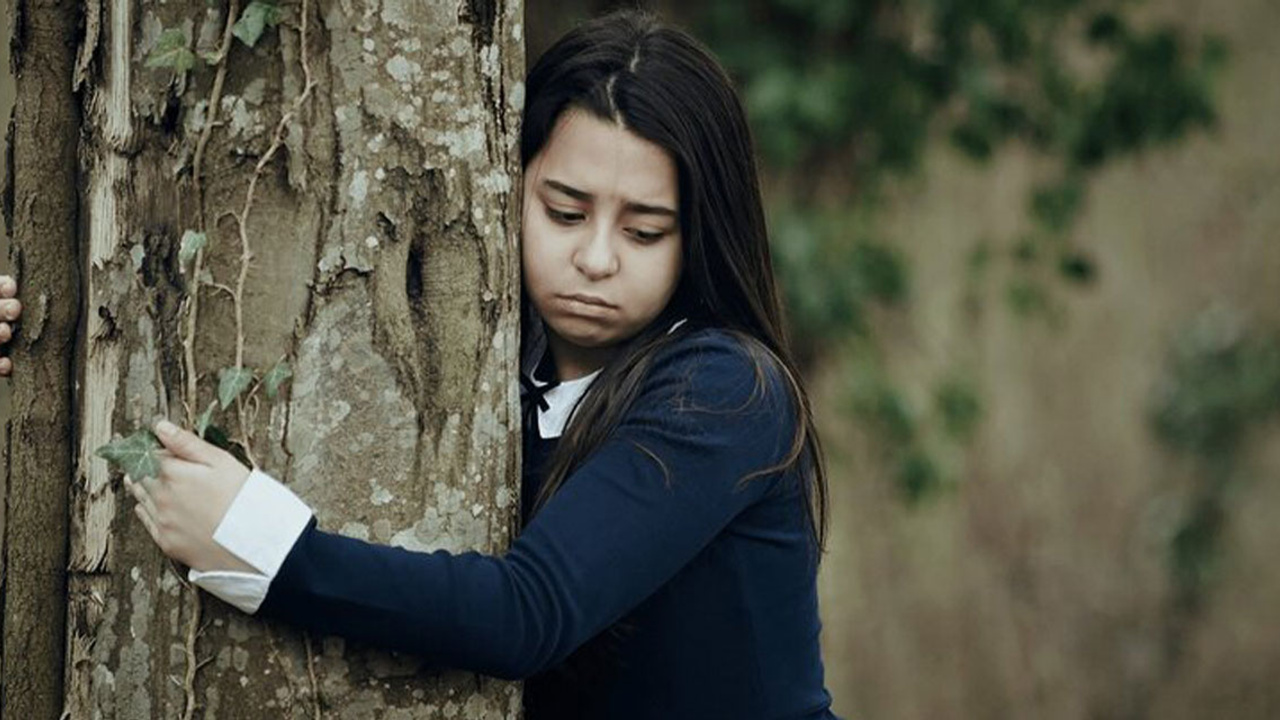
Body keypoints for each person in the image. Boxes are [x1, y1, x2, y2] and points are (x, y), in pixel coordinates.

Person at [3, 10, 841, 719]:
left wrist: (260, 545)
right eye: (564, 211)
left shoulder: (725, 390)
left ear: (701, 236)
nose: (595, 258)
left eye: (644, 230)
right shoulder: (498, 370)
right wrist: (39, 342)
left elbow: (526, 613)